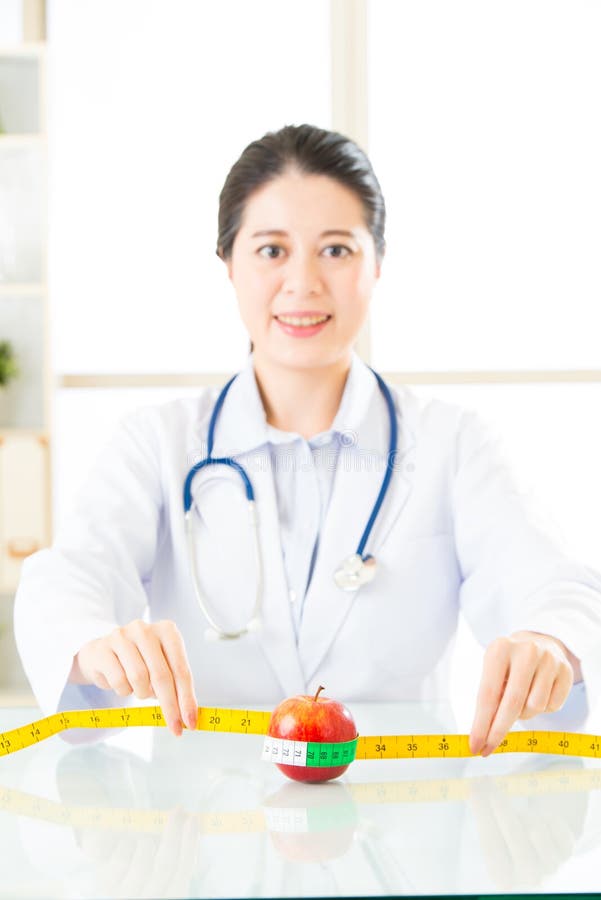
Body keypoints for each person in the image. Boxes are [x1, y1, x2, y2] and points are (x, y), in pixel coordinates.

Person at [14, 124, 601, 757]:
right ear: (228, 264)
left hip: (401, 829)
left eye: (336, 251)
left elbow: (555, 583)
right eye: (271, 251)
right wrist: (93, 641)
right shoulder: (156, 442)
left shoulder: (453, 443)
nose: (303, 283)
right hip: (208, 832)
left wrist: (549, 640)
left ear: (377, 264)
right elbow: (69, 577)